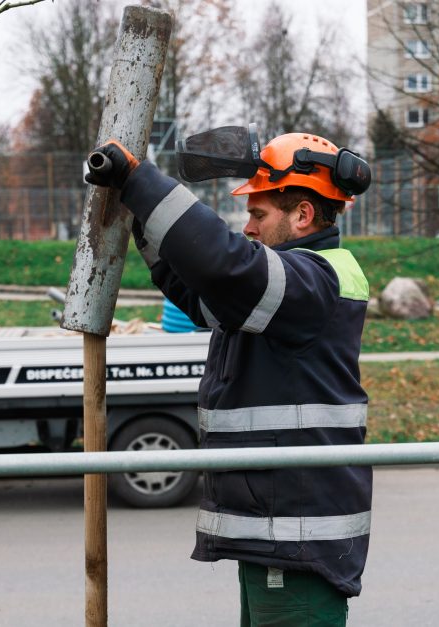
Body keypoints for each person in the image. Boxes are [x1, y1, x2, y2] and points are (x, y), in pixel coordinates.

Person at [86, 131, 372, 626]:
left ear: (302, 215)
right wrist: (140, 212)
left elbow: (225, 265)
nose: (249, 227)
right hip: (280, 533)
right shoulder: (281, 291)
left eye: (258, 214)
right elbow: (199, 290)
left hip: (296, 537)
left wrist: (140, 180)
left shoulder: (314, 281)